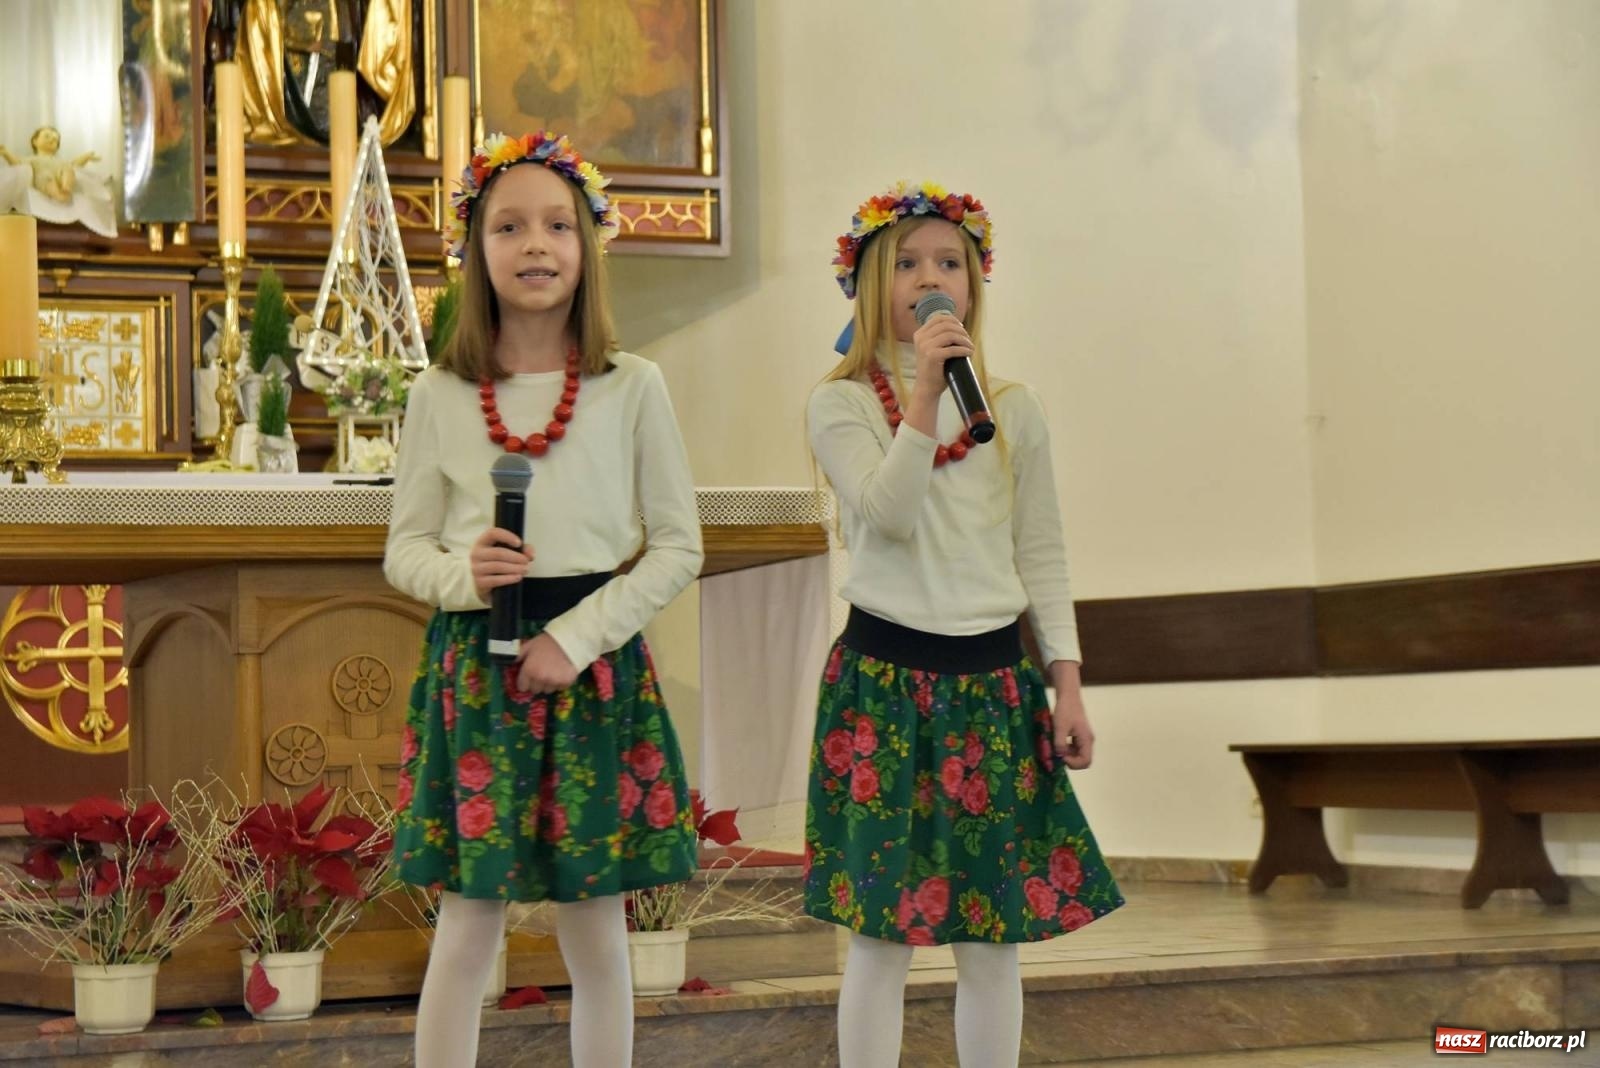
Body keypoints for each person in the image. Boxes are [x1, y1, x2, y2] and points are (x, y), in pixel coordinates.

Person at [385, 131, 703, 1068]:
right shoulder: (440, 392)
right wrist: (462, 574)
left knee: (597, 933)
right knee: (469, 923)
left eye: (558, 226)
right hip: (479, 670)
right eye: (510, 225)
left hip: (590, 670)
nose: (536, 245)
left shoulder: (632, 385)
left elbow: (679, 545)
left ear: (588, 246)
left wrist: (577, 636)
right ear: (475, 248)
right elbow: (404, 549)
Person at [804, 181, 1125, 1067]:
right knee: (882, 937)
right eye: (906, 263)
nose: (929, 277)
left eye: (950, 262)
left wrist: (1066, 681)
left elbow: (1042, 554)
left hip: (991, 687)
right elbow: (890, 513)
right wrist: (919, 399)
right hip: (885, 684)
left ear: (975, 285)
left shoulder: (1011, 411)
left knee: (991, 938)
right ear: (871, 284)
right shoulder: (841, 406)